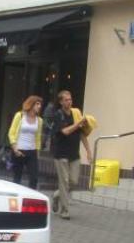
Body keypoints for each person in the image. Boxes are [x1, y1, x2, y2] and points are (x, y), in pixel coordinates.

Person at [51, 90, 93, 219]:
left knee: (73, 181)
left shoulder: (76, 113)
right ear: (61, 102)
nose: (69, 102)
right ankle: (65, 211)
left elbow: (81, 134)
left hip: (74, 154)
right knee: (64, 181)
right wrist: (78, 123)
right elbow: (65, 131)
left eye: (70, 99)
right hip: (61, 154)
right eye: (66, 100)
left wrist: (88, 151)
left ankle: (57, 195)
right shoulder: (58, 115)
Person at [8, 95, 43, 189]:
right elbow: (11, 133)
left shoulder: (39, 120)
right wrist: (15, 149)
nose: (39, 106)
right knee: (17, 178)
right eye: (37, 104)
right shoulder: (20, 116)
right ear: (31, 105)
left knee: (34, 178)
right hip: (19, 150)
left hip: (32, 151)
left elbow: (38, 138)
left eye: (40, 104)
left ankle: (32, 197)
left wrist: (37, 153)